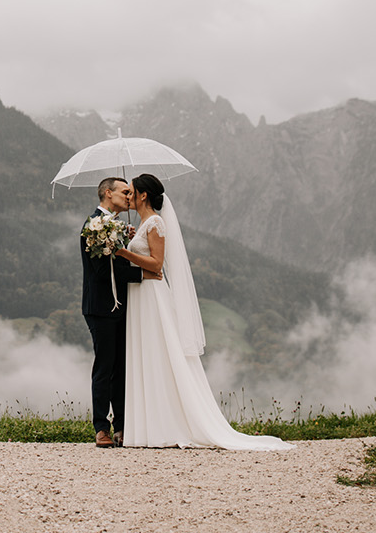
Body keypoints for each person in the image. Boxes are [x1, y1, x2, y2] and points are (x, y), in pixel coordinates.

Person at [114, 173, 292, 450]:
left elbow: (156, 265)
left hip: (152, 297)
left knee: (160, 353)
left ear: (143, 195)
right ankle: (148, 425)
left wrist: (125, 254)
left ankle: (167, 424)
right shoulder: (141, 224)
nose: (128, 197)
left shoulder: (155, 223)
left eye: (131, 192)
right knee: (146, 354)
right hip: (140, 294)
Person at [80, 176, 144, 447]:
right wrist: (145, 272)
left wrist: (124, 241)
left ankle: (122, 426)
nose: (129, 197)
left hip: (121, 306)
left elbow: (116, 259)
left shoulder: (115, 226)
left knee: (121, 366)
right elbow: (103, 271)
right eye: (125, 192)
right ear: (108, 193)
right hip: (101, 307)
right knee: (105, 366)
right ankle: (101, 428)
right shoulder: (94, 225)